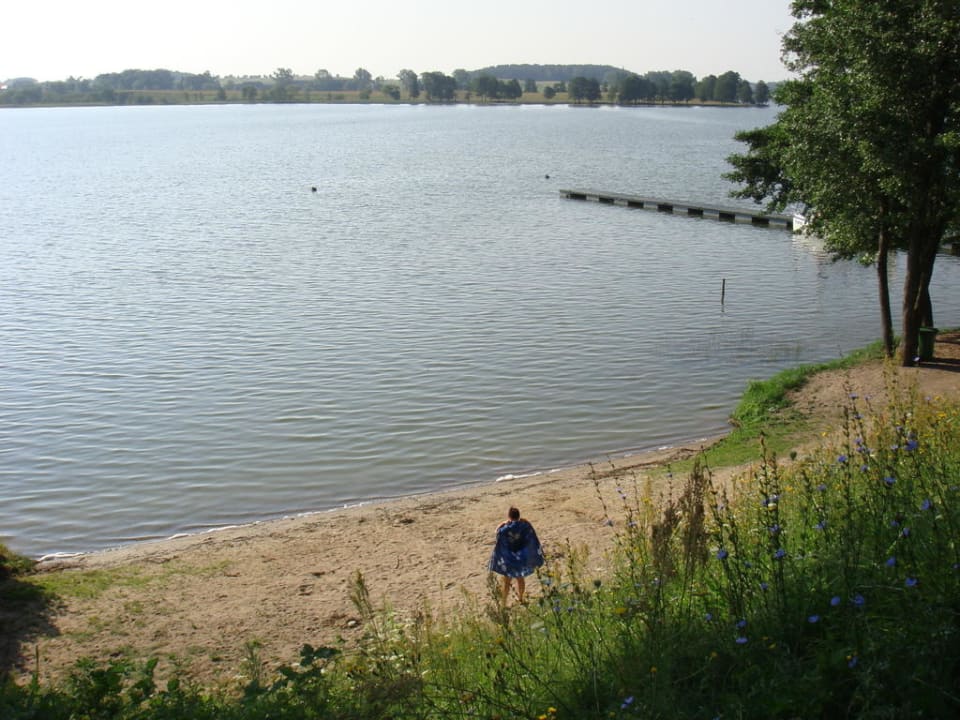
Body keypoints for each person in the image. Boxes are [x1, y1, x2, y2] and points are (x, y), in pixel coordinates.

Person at [488, 506, 544, 604]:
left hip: (509, 559)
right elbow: (531, 530)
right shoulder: (524, 526)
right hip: (521, 558)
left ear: (509, 516)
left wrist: (503, 523)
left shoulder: (505, 529)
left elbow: (497, 533)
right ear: (519, 516)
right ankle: (520, 598)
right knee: (520, 579)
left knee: (506, 582)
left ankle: (504, 603)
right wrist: (526, 520)